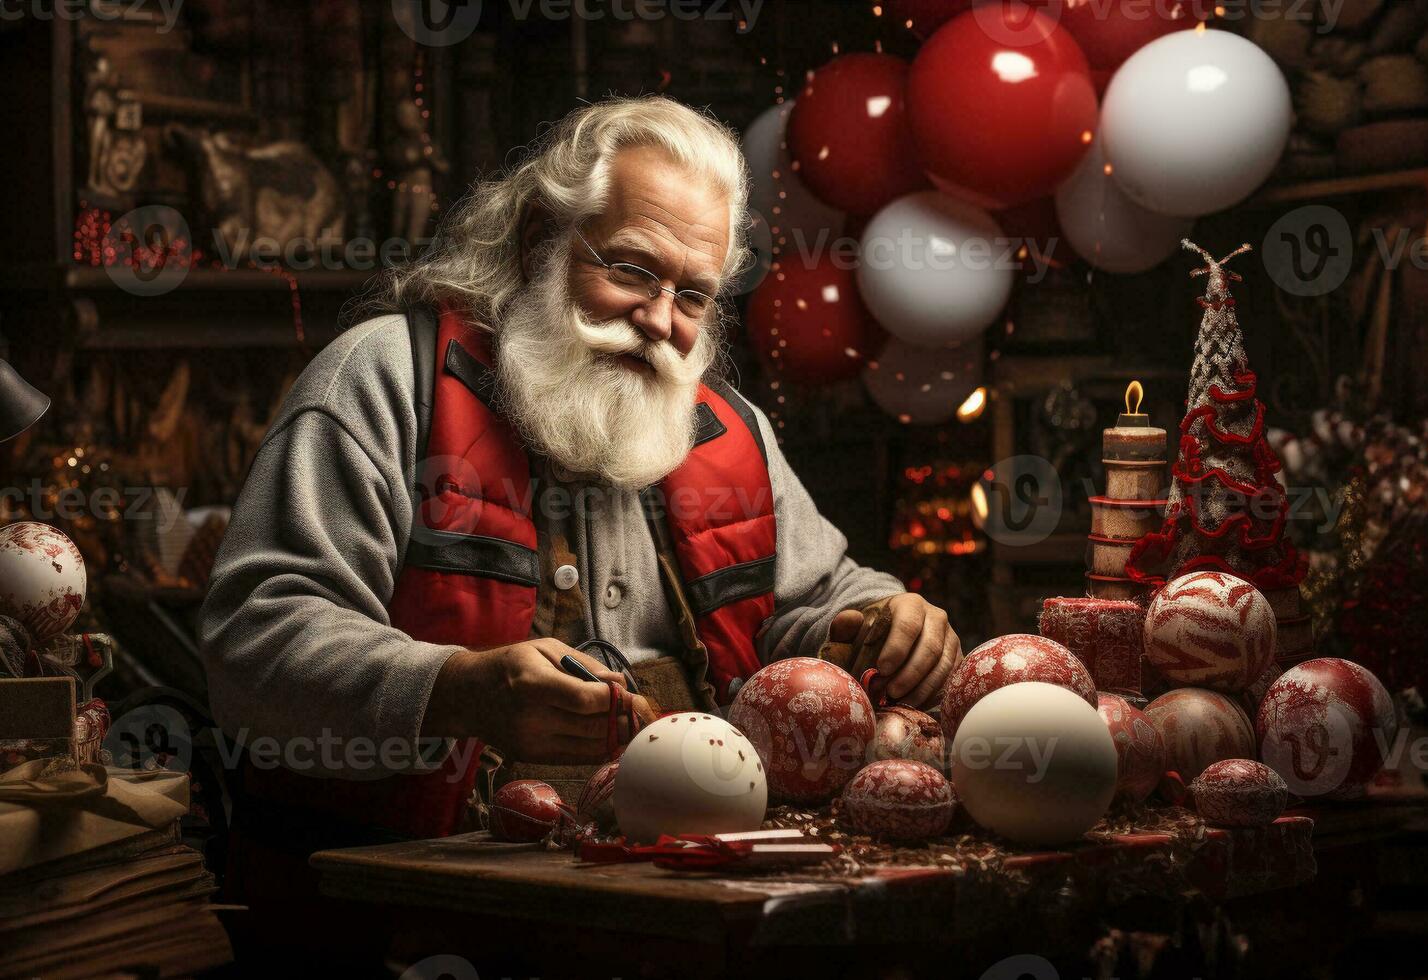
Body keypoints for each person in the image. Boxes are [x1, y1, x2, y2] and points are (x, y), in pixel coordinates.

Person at [198, 97, 961, 865]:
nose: (661, 321)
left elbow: (817, 602)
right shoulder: (384, 380)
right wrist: (458, 690)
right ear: (540, 242)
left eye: (692, 295)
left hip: (678, 897)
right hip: (422, 906)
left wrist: (878, 618)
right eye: (632, 270)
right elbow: (254, 642)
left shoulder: (728, 428)